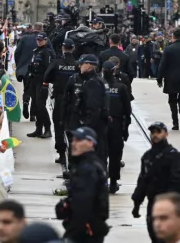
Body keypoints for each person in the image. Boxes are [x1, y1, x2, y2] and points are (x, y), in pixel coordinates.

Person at [131, 122, 180, 243]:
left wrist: (173, 205)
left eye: (158, 132)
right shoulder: (147, 157)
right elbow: (143, 181)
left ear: (166, 134)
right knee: (155, 236)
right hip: (153, 204)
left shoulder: (174, 155)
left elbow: (177, 181)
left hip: (168, 204)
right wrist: (137, 202)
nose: (155, 135)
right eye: (153, 132)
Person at [56, 127, 109, 242]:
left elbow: (83, 203)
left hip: (84, 231)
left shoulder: (87, 169)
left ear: (90, 143)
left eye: (79, 140)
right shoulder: (86, 164)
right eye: (73, 140)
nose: (74, 144)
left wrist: (72, 234)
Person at [63, 56, 109, 171]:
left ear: (88, 66)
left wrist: (86, 126)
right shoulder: (98, 81)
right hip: (91, 124)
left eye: (81, 64)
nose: (79, 66)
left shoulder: (93, 83)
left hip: (88, 124)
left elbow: (92, 107)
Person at [44, 40, 79, 166]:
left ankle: (61, 153)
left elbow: (46, 77)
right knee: (73, 126)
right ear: (73, 48)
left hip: (60, 98)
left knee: (59, 126)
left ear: (63, 48)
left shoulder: (56, 62)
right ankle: (73, 152)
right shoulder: (77, 64)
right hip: (74, 100)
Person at [101, 61, 131, 194]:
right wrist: (125, 128)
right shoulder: (121, 88)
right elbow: (127, 110)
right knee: (115, 155)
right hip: (116, 124)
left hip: (100, 124)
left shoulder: (97, 85)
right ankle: (113, 182)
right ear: (114, 71)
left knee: (101, 154)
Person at [27, 32, 52, 139]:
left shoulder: (47, 52)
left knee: (41, 105)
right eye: (38, 40)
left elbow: (49, 68)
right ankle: (38, 129)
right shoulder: (36, 51)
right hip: (34, 79)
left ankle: (47, 129)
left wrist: (46, 82)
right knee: (36, 106)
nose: (39, 41)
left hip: (42, 81)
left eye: (41, 40)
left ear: (45, 40)